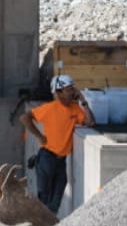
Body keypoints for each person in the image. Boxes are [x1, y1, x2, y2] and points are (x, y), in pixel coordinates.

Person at [25, 75, 93, 211]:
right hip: (47, 158)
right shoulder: (49, 108)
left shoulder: (75, 108)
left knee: (55, 202)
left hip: (61, 162)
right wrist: (39, 136)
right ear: (58, 93)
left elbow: (90, 122)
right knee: (44, 200)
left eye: (72, 89)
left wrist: (83, 102)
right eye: (68, 90)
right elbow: (24, 117)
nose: (72, 93)